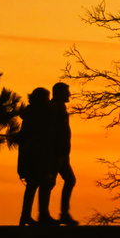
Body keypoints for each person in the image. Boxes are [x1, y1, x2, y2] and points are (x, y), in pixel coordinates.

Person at [15, 87, 56, 225]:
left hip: (35, 154)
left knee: (36, 184)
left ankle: (30, 215)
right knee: (37, 183)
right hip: (36, 155)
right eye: (47, 97)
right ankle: (35, 215)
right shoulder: (38, 113)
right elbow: (37, 136)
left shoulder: (32, 113)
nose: (49, 100)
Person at [50, 82, 77, 225]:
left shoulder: (60, 107)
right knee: (49, 183)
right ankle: (47, 214)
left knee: (69, 180)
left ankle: (63, 213)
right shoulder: (54, 108)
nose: (69, 95)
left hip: (62, 153)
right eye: (67, 92)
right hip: (56, 153)